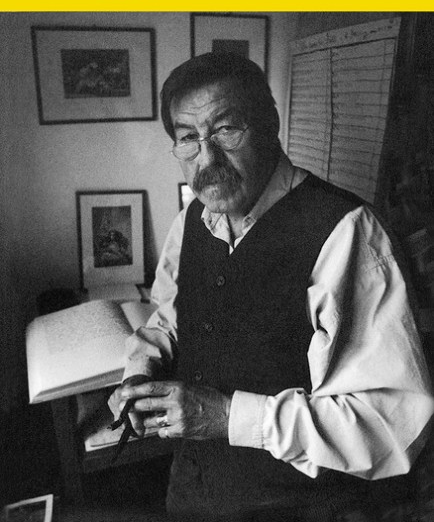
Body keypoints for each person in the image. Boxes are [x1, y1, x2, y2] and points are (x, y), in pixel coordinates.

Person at [109, 52, 433, 522]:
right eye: (188, 138)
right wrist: (139, 373)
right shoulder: (191, 221)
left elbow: (388, 428)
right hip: (192, 492)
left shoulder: (347, 234)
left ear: (270, 124)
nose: (207, 159)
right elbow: (169, 319)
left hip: (301, 507)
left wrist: (225, 417)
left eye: (226, 129)